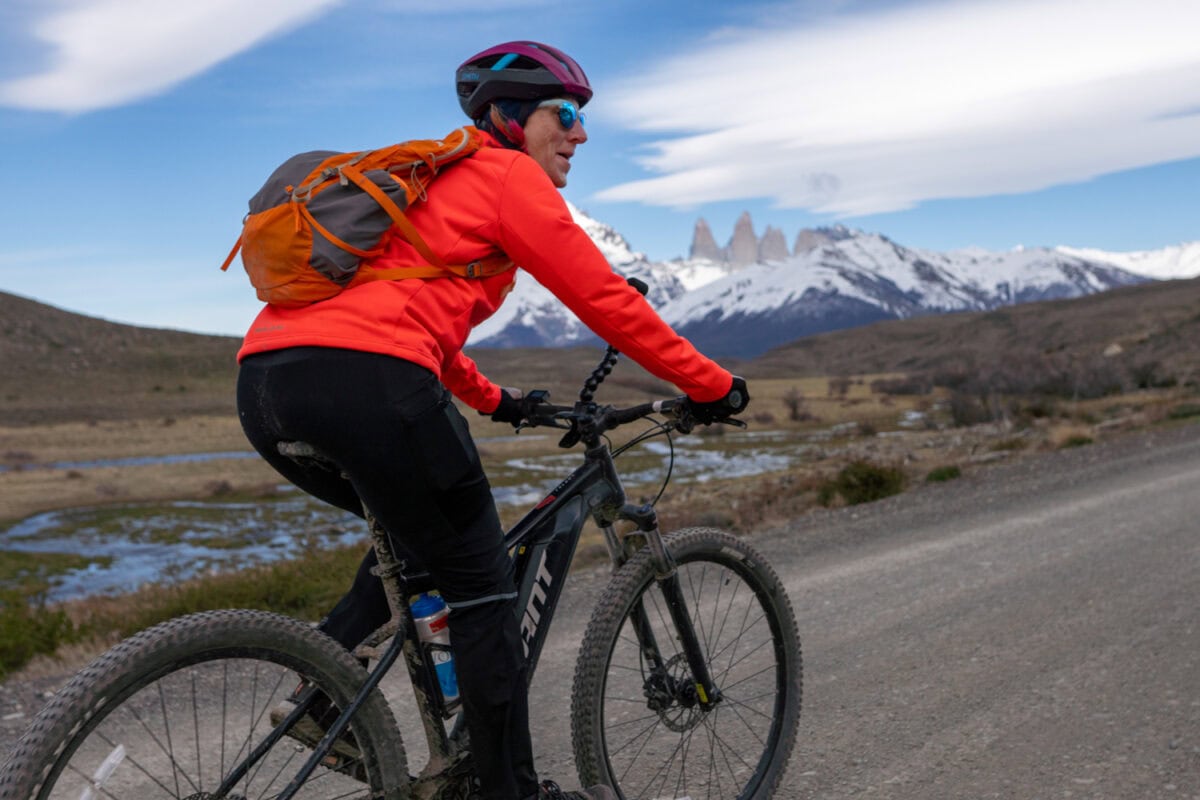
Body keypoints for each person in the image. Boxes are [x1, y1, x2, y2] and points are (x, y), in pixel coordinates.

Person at [235, 40, 749, 800]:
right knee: (483, 588)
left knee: (416, 550)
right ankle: (506, 790)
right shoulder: (505, 176)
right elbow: (605, 300)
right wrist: (712, 386)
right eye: (565, 114)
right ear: (510, 117)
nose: (580, 133)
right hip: (372, 385)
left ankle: (314, 700)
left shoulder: (435, 184)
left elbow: (414, 322)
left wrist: (498, 401)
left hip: (267, 384)